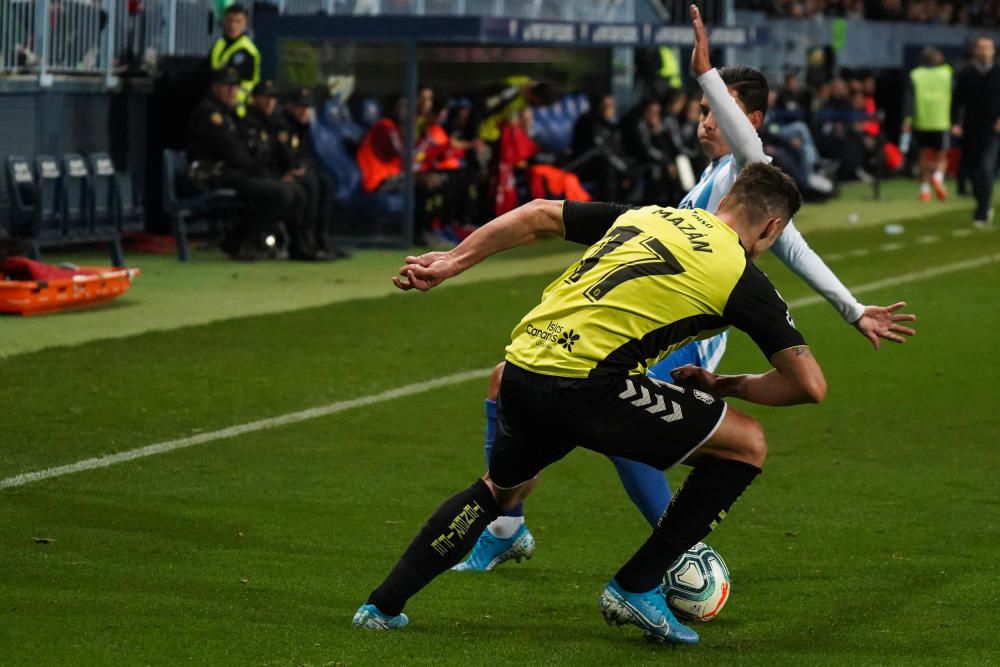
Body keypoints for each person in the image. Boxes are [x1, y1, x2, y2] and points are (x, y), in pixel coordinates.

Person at [454, 4, 916, 572]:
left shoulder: (746, 171)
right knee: (510, 382)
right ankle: (509, 525)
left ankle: (679, 553)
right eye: (702, 111)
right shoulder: (715, 181)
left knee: (617, 436)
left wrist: (706, 73)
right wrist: (851, 310)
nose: (705, 121)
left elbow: (773, 209)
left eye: (718, 112)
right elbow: (793, 247)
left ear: (751, 121)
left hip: (681, 339)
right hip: (646, 324)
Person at [355, 161, 818, 645]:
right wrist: (724, 384)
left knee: (499, 491)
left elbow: (537, 213)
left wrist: (452, 260)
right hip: (588, 387)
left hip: (522, 367)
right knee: (747, 443)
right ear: (772, 228)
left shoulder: (648, 216)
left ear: (724, 201)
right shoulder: (741, 276)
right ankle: (636, 586)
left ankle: (382, 605)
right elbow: (809, 385)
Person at [186, 68, 318, 261]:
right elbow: (233, 153)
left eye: (236, 86)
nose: (233, 91)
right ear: (215, 87)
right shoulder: (210, 114)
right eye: (228, 86)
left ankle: (293, 243)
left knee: (293, 191)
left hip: (236, 173)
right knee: (281, 192)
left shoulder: (228, 113)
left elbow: (247, 152)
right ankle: (240, 239)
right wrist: (265, 173)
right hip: (215, 175)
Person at [952, 35, 1000, 227]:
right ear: (974, 51)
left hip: (993, 128)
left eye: (987, 48)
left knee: (985, 167)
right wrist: (955, 122)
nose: (984, 52)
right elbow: (957, 100)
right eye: (980, 48)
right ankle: (982, 203)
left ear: (993, 51)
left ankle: (982, 211)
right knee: (973, 169)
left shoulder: (998, 72)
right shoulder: (966, 73)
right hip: (971, 127)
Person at [904, 47, 952, 202]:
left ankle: (924, 190)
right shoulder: (946, 73)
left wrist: (907, 120)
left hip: (921, 121)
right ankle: (938, 177)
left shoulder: (915, 75)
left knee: (923, 156)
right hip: (941, 120)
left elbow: (909, 100)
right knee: (941, 156)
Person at [209, 4, 259, 117]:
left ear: (245, 24)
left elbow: (228, 80)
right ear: (223, 22)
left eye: (238, 21)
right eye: (229, 20)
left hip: (237, 110)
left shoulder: (246, 51)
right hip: (217, 105)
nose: (232, 26)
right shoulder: (219, 44)